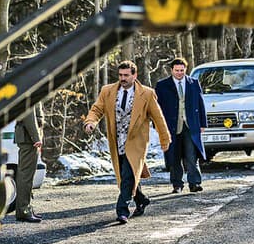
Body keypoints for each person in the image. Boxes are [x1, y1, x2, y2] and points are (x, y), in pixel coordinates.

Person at [84, 60, 171, 224]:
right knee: (128, 175)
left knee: (127, 175)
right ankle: (141, 199)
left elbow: (158, 118)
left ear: (134, 75)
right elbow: (97, 109)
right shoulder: (107, 91)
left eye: (126, 75)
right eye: (120, 75)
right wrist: (91, 122)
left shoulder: (146, 94)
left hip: (136, 142)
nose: (122, 78)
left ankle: (122, 210)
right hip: (117, 141)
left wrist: (164, 138)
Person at [155, 57, 208, 193]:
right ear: (171, 70)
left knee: (191, 155)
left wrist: (203, 123)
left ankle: (194, 183)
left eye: (182, 70)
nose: (179, 73)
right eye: (177, 70)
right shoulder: (162, 85)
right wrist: (159, 127)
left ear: (186, 69)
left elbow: (200, 104)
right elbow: (157, 108)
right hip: (171, 126)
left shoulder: (193, 83)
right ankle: (177, 185)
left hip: (191, 125)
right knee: (174, 156)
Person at [15, 105, 43, 222]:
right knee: (25, 175)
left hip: (28, 137)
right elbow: (29, 114)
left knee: (27, 175)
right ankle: (23, 210)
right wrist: (36, 137)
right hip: (28, 138)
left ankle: (26, 209)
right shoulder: (30, 90)